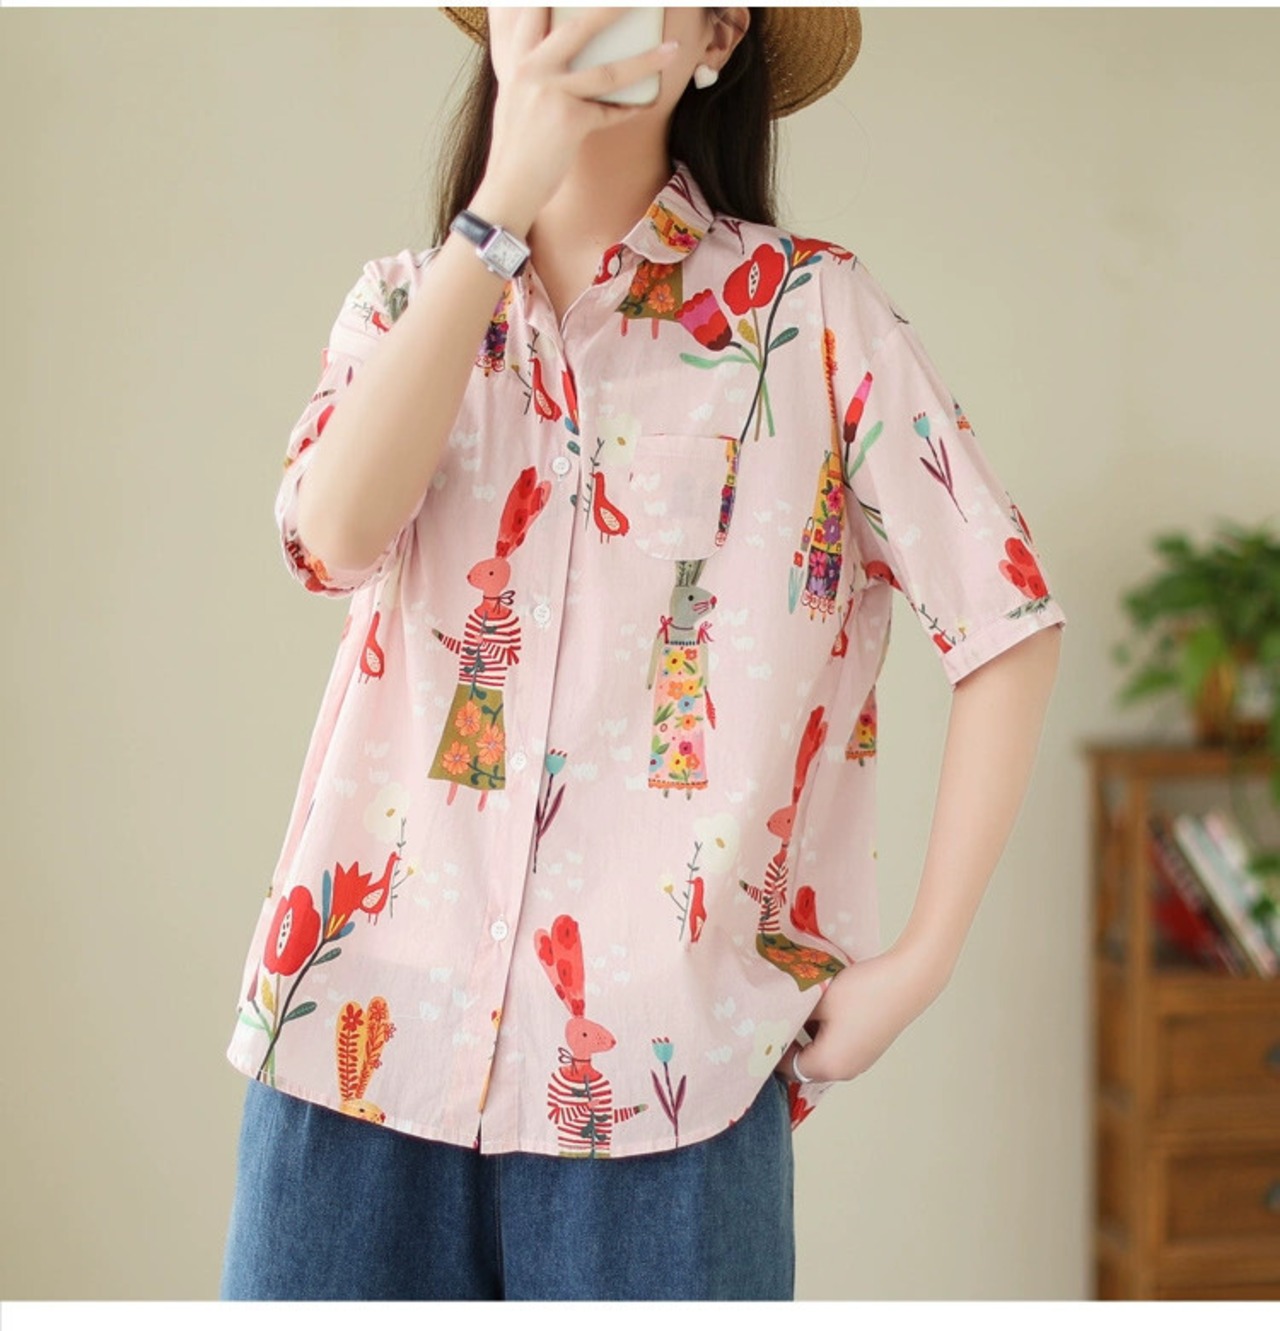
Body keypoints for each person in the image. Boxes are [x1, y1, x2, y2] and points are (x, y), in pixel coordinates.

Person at [219, 5, 1066, 1302]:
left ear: (716, 35)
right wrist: (498, 210)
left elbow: (1004, 618)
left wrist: (921, 963)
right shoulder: (399, 302)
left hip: (668, 1082)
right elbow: (328, 538)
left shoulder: (811, 318)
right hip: (356, 1044)